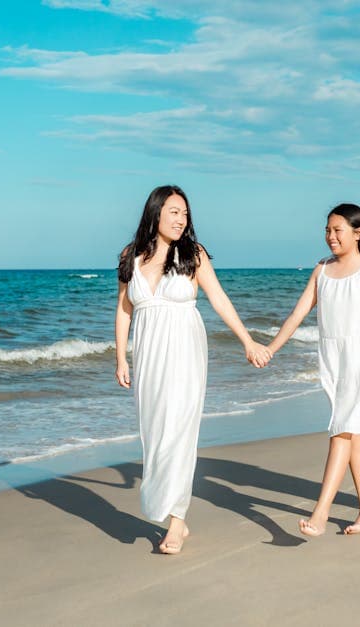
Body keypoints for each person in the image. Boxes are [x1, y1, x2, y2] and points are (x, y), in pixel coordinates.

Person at [114, 184, 271, 555]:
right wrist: (121, 357)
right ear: (155, 212)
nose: (181, 219)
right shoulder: (130, 256)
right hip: (149, 355)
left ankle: (177, 520)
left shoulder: (193, 254)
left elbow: (218, 298)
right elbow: (124, 309)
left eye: (185, 213)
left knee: (180, 431)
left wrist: (247, 341)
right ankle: (168, 506)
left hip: (185, 350)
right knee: (155, 433)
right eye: (174, 211)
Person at [267, 203, 360, 537]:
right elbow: (297, 314)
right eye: (327, 231)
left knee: (341, 430)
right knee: (353, 434)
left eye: (337, 230)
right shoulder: (322, 270)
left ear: (358, 233)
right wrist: (271, 348)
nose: (330, 236)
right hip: (334, 360)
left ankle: (320, 513)